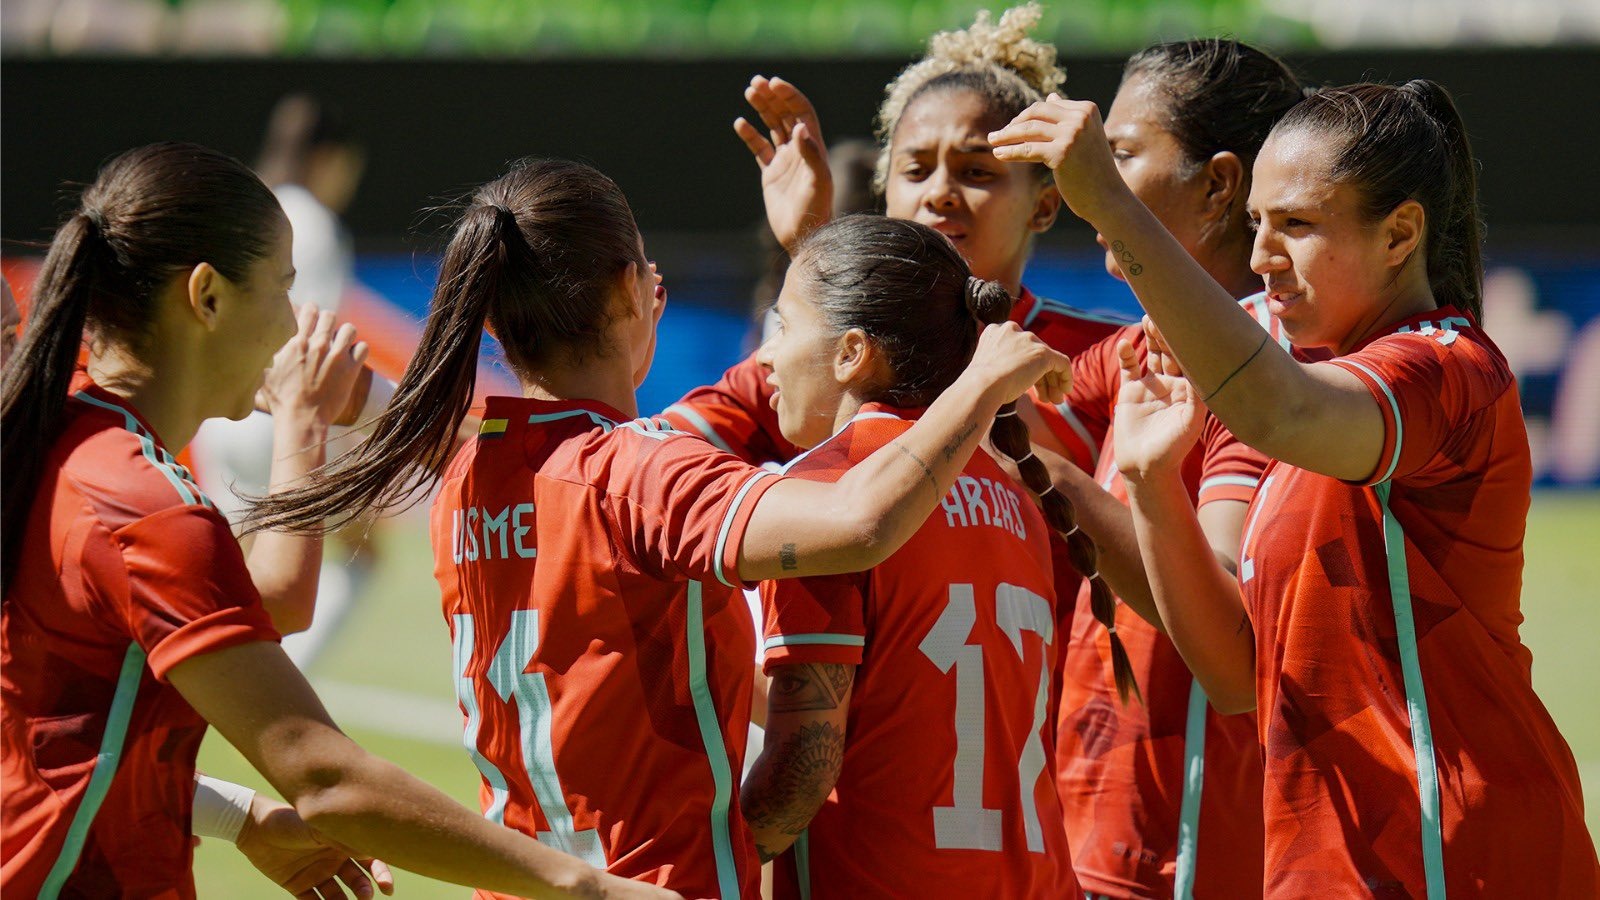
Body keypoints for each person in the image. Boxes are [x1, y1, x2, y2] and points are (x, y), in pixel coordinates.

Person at [241, 159, 1071, 899]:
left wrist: (826, 261)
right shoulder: (645, 475)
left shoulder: (471, 476)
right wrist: (982, 381)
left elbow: (503, 442)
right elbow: (856, 520)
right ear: (631, 293)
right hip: (655, 884)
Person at [0, 141, 676, 900]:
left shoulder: (68, 441)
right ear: (208, 298)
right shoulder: (138, 502)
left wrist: (240, 817)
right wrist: (590, 887)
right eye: (282, 288)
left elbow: (50, 746)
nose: (294, 321)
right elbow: (328, 780)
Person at [993, 81, 1600, 894]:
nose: (1260, 258)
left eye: (1298, 226)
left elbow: (1274, 406)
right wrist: (1148, 483)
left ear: (1400, 234)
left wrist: (1109, 202)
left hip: (1459, 851)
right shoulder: (1301, 389)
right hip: (1330, 862)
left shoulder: (1445, 367)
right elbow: (1236, 673)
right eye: (1258, 225)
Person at [1030, 40, 1303, 899]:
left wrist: (1052, 480)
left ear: (1220, 185)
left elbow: (1229, 635)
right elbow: (973, 422)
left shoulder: (1270, 366)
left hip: (1189, 853)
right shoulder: (1140, 347)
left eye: (1118, 155)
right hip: (1091, 833)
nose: (1086, 181)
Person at [738, 214, 1079, 897]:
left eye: (783, 326)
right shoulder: (1015, 502)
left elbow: (804, 769)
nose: (764, 359)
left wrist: (699, 862)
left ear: (851, 353)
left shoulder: (822, 495)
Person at [664, 3, 1127, 473]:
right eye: (916, 170)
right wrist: (814, 248)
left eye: (976, 171)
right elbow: (653, 459)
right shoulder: (826, 349)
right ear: (887, 195)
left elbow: (1142, 542)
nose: (940, 193)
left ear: (1044, 206)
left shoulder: (1109, 356)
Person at [189, 92, 373, 669]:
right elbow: (311, 348)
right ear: (330, 157)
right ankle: (280, 692)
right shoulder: (312, 225)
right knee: (353, 563)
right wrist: (344, 454)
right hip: (279, 423)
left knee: (225, 579)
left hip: (221, 415)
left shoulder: (249, 205)